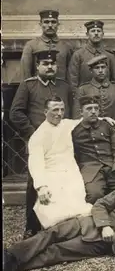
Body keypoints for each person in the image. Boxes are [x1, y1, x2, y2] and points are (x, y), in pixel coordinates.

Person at [3, 165, 115, 271]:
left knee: (59, 251)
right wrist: (105, 225)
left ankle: (14, 266)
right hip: (89, 223)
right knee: (51, 233)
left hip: (105, 241)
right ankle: (11, 255)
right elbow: (100, 205)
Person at [10, 49, 73, 238]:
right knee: (35, 181)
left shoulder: (63, 86)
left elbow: (70, 113)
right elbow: (16, 113)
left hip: (61, 141)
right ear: (37, 66)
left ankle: (58, 223)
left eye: (52, 63)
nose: (50, 67)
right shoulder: (28, 86)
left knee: (63, 179)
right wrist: (33, 132)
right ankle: (31, 225)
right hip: (39, 141)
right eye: (45, 64)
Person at [28, 97, 93, 229]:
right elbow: (36, 163)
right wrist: (41, 186)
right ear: (45, 112)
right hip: (52, 174)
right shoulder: (38, 136)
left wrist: (106, 119)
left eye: (62, 110)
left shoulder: (67, 124)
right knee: (55, 210)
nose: (59, 113)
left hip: (71, 171)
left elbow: (83, 120)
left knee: (78, 205)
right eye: (55, 110)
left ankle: (76, 234)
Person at [72, 95, 115, 204]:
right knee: (94, 195)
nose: (93, 111)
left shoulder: (108, 126)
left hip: (113, 167)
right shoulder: (75, 131)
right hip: (90, 171)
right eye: (89, 109)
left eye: (96, 108)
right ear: (81, 112)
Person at [19, 9, 73, 82]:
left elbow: (71, 74)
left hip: (61, 90)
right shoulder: (31, 45)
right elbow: (26, 74)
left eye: (53, 22)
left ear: (58, 24)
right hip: (38, 91)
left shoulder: (66, 47)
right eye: (46, 22)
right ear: (40, 24)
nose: (50, 25)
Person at [72, 54, 115, 121]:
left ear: (107, 69)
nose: (100, 70)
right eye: (97, 68)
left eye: (103, 67)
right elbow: (77, 116)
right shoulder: (83, 90)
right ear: (91, 70)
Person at [68, 20, 115, 88]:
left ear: (103, 34)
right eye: (93, 31)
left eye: (98, 31)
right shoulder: (78, 55)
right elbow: (73, 80)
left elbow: (114, 81)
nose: (96, 33)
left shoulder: (110, 56)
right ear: (87, 34)